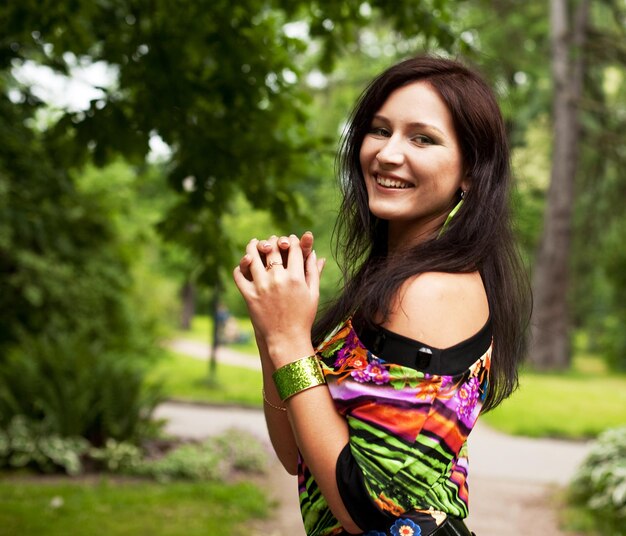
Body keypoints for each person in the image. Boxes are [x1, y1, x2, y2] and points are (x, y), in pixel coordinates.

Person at [233, 55, 530, 536]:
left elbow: (372, 511)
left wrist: (290, 338)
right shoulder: (390, 281)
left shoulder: (433, 292)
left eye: (422, 138)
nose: (388, 154)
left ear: (470, 173)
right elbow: (297, 454)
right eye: (379, 130)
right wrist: (274, 328)